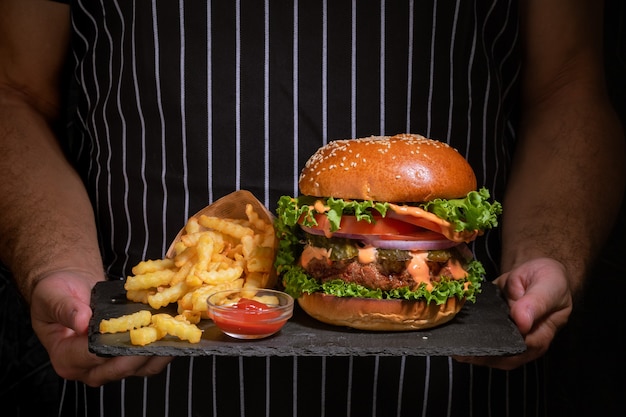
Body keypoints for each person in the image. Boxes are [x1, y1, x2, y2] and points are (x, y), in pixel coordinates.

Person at [0, 0, 624, 416]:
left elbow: (570, 82)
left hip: (462, 387)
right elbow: (15, 91)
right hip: (145, 384)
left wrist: (545, 254)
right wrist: (61, 268)